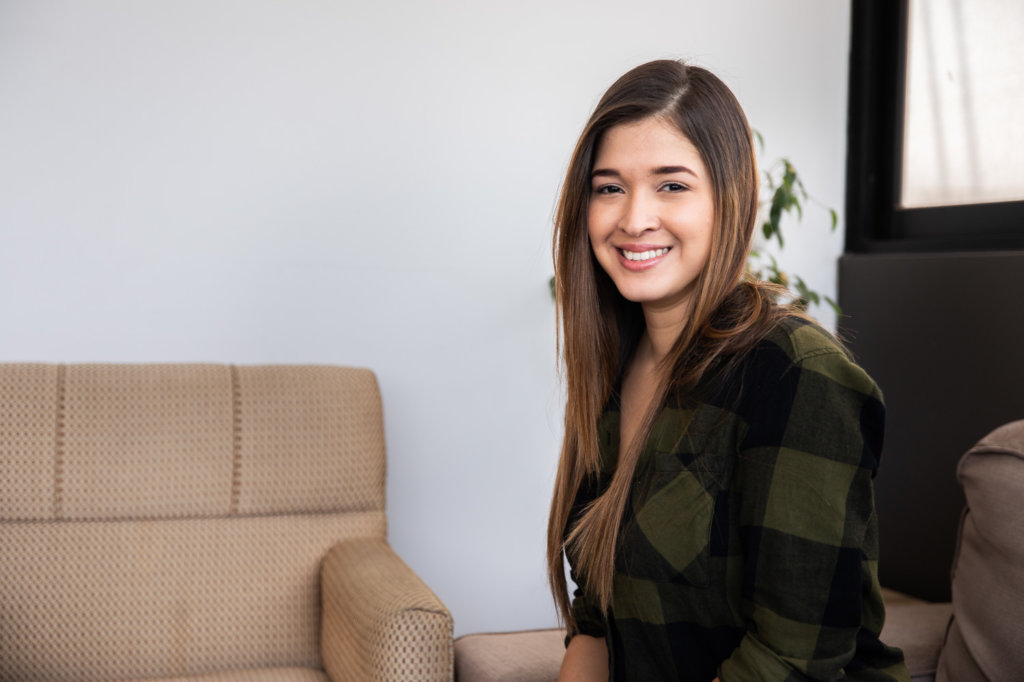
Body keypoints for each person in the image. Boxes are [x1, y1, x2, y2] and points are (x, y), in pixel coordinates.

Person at [545, 59, 909, 682]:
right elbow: (598, 618)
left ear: (729, 199)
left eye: (672, 185)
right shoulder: (614, 364)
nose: (634, 218)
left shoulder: (796, 375)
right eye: (609, 187)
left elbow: (790, 661)